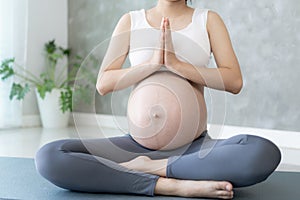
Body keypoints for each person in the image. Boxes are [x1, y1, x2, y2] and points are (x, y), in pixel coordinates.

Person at [35, 0, 281, 199]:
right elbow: (104, 83)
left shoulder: (208, 20)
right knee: (49, 156)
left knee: (262, 152)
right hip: (134, 149)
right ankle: (171, 185)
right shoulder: (131, 21)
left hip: (193, 151)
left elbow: (233, 81)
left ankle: (155, 170)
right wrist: (153, 64)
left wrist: (177, 65)